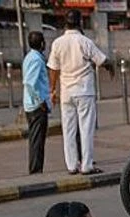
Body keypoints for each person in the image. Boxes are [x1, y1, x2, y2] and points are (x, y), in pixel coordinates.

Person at [48, 9, 113, 175]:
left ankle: (71, 166)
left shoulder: (57, 43)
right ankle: (86, 165)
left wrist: (52, 90)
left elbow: (53, 69)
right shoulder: (85, 41)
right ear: (80, 23)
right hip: (84, 91)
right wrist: (110, 67)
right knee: (86, 129)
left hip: (66, 92)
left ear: (65, 23)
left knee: (68, 130)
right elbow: (102, 60)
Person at [23, 31, 50, 175]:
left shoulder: (30, 57)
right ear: (42, 43)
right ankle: (35, 169)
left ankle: (36, 168)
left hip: (31, 104)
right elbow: (30, 82)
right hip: (36, 106)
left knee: (37, 139)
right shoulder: (36, 60)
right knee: (37, 140)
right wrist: (40, 101)